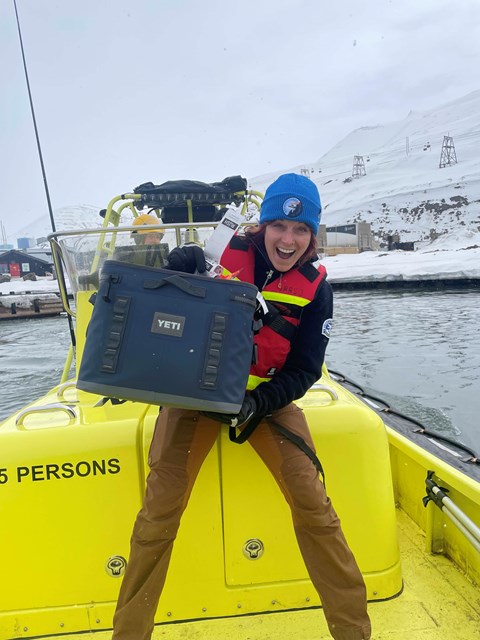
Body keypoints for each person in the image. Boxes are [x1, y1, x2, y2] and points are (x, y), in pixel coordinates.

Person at [112, 173, 371, 640]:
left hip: (265, 403)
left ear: (312, 236)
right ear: (263, 225)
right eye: (279, 226)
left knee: (315, 508)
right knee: (158, 515)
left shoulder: (317, 289)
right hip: (194, 399)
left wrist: (258, 403)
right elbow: (161, 314)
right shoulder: (218, 254)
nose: (288, 240)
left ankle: (353, 632)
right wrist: (177, 271)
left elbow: (305, 369)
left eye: (301, 231)